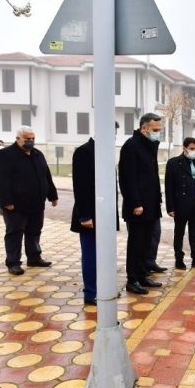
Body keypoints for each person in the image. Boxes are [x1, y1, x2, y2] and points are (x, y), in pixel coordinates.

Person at [0, 126, 58, 275]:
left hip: (36, 203)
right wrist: (7, 201)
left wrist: (52, 195)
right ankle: (13, 262)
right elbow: (1, 180)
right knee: (15, 233)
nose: (30, 142)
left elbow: (46, 176)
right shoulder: (5, 155)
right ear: (18, 139)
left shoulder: (37, 154)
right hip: (15, 205)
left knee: (34, 231)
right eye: (27, 139)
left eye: (32, 139)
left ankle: (34, 257)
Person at [70, 127, 121, 305]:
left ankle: (105, 288)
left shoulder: (105, 152)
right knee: (91, 255)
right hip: (91, 216)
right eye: (111, 132)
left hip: (106, 214)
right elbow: (80, 186)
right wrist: (84, 216)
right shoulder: (84, 152)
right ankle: (91, 292)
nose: (114, 136)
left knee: (107, 255)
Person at [118, 113, 165, 295]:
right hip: (138, 207)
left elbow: (151, 176)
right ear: (144, 127)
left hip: (151, 204)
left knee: (147, 243)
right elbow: (127, 178)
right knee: (136, 244)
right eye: (155, 130)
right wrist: (136, 203)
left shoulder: (149, 145)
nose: (157, 133)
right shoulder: (131, 146)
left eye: (159, 130)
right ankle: (132, 280)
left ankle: (143, 275)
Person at [165, 137, 195, 270]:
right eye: (192, 149)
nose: (194, 151)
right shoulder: (174, 163)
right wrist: (170, 207)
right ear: (184, 148)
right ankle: (179, 259)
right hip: (181, 204)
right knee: (179, 233)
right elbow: (169, 187)